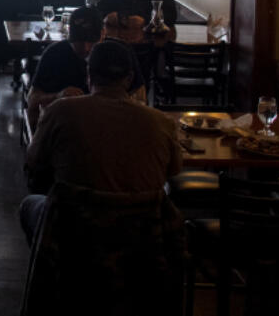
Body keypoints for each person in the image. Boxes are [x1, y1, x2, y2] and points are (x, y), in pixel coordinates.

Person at [20, 40, 181, 245]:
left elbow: (33, 161)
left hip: (75, 232)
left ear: (89, 76)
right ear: (129, 78)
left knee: (29, 205)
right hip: (140, 239)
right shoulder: (161, 122)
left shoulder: (60, 112)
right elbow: (174, 170)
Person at [26, 7, 146, 131]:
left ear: (103, 33)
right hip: (67, 126)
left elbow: (141, 98)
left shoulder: (120, 52)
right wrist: (58, 96)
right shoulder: (54, 54)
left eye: (91, 41)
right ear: (69, 36)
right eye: (78, 41)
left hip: (113, 125)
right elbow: (32, 99)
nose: (86, 48)